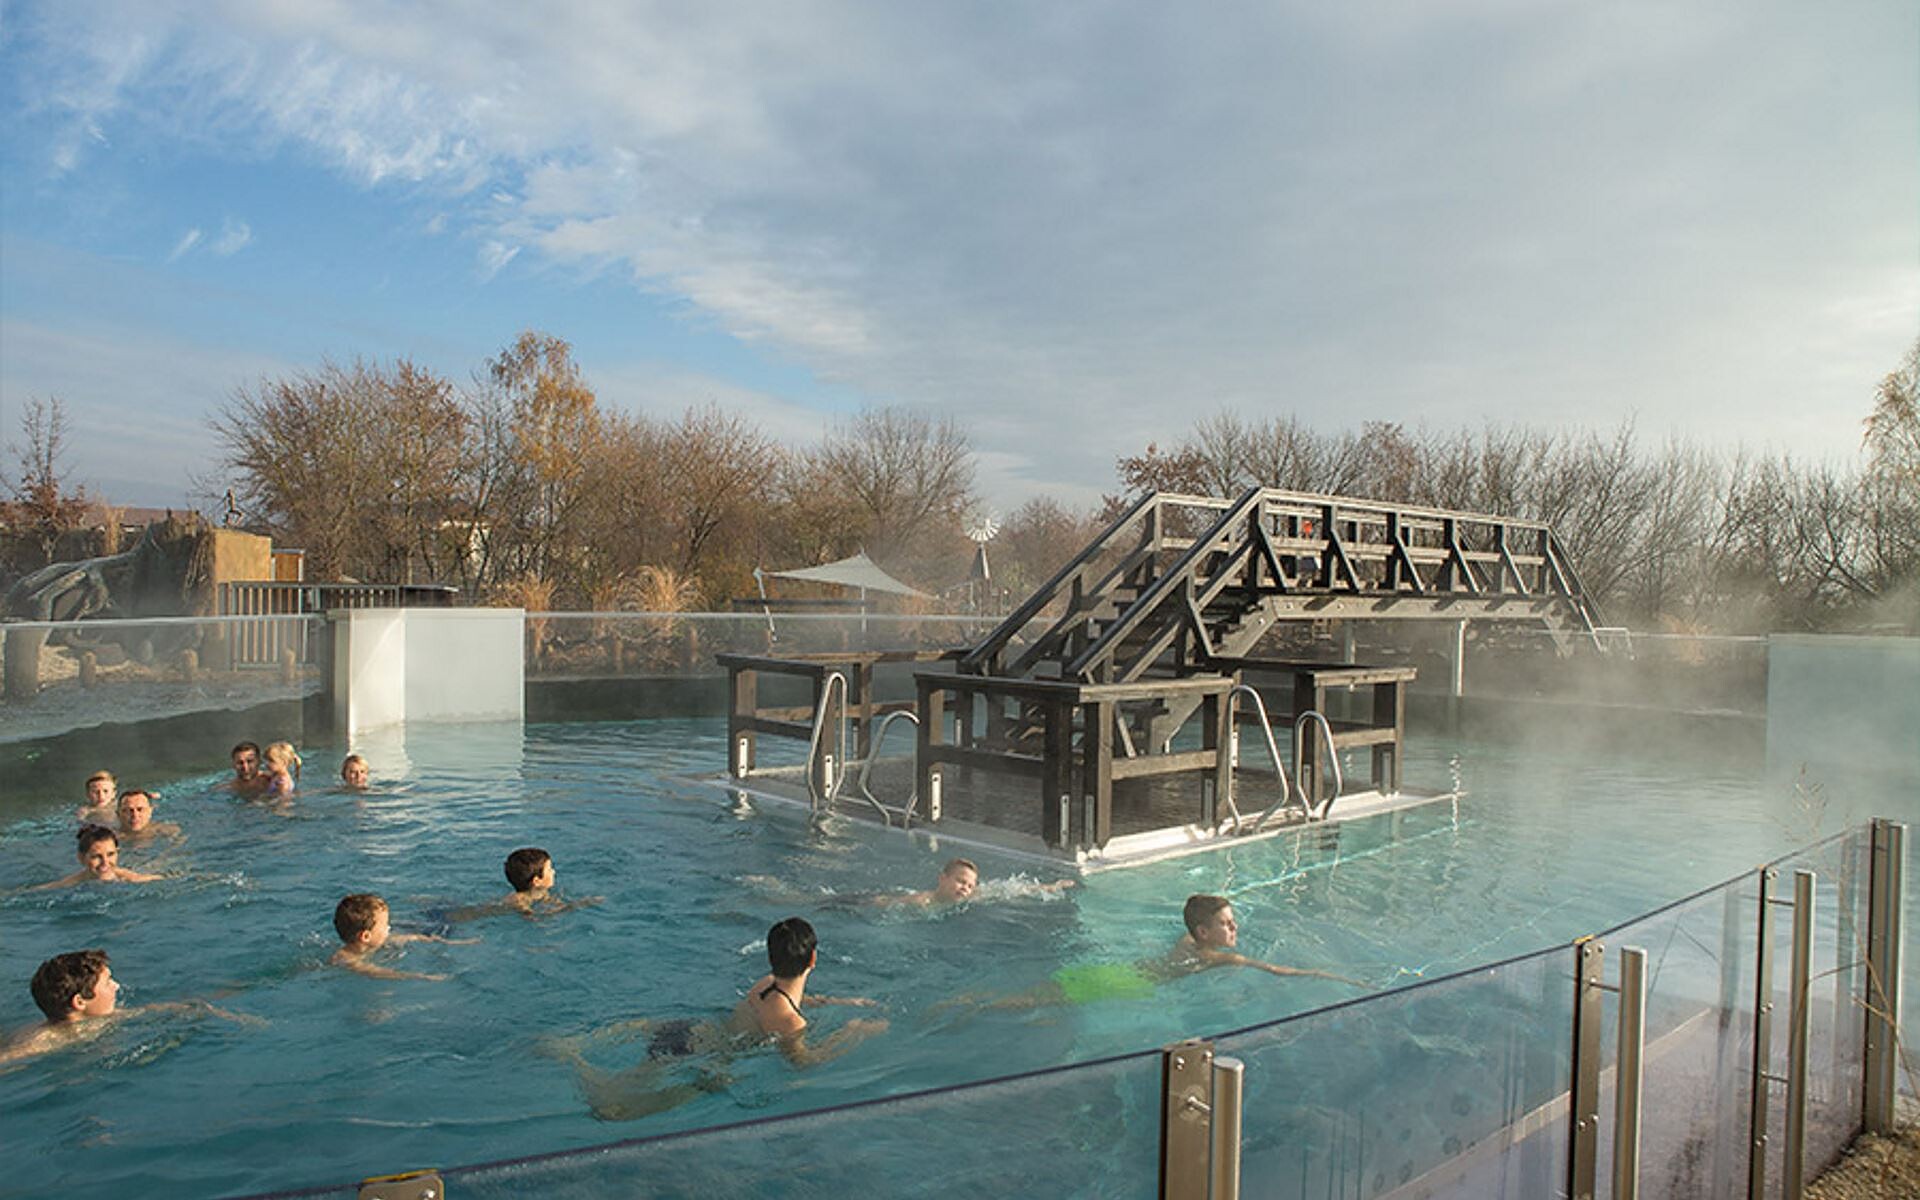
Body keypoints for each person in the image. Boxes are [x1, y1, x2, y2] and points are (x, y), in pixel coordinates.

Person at [543, 917, 886, 1121]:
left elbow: (796, 998)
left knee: (634, 1073)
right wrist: (854, 1032)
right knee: (616, 1108)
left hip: (690, 1031)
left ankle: (571, 1049)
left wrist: (843, 1002)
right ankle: (577, 1066)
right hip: (702, 1057)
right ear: (813, 959)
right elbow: (803, 1063)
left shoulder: (766, 983)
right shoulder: (791, 1023)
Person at [945, 894, 1362, 1013]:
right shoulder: (1218, 957)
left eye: (1233, 922)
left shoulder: (1187, 941)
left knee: (1039, 996)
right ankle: (972, 1005)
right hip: (1124, 984)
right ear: (1205, 932)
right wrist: (1330, 975)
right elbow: (1276, 970)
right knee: (1030, 1002)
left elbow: (1190, 911)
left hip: (1118, 970)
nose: (1235, 929)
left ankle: (973, 1000)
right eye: (1227, 923)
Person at [0, 949, 259, 1067]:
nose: (116, 986)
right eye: (108, 982)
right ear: (79, 1002)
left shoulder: (97, 1020)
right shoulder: (46, 1041)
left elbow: (163, 1009)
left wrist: (212, 1008)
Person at [330, 894, 471, 981]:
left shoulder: (372, 943)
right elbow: (381, 973)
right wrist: (422, 977)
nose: (389, 928)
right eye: (385, 925)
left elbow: (410, 937)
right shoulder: (346, 960)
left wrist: (449, 942)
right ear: (366, 936)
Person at [447, 848, 602, 921]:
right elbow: (533, 919)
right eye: (549, 869)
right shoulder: (518, 900)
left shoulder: (542, 893)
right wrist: (576, 906)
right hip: (455, 917)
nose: (554, 872)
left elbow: (553, 905)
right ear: (537, 881)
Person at [29, 825, 163, 890]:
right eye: (96, 857)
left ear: (118, 853)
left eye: (110, 854)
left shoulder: (133, 879)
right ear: (81, 858)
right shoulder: (70, 884)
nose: (105, 863)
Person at [114, 789, 182, 841]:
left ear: (150, 812)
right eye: (129, 810)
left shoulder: (169, 831)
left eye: (140, 809)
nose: (135, 815)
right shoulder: (113, 837)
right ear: (118, 814)